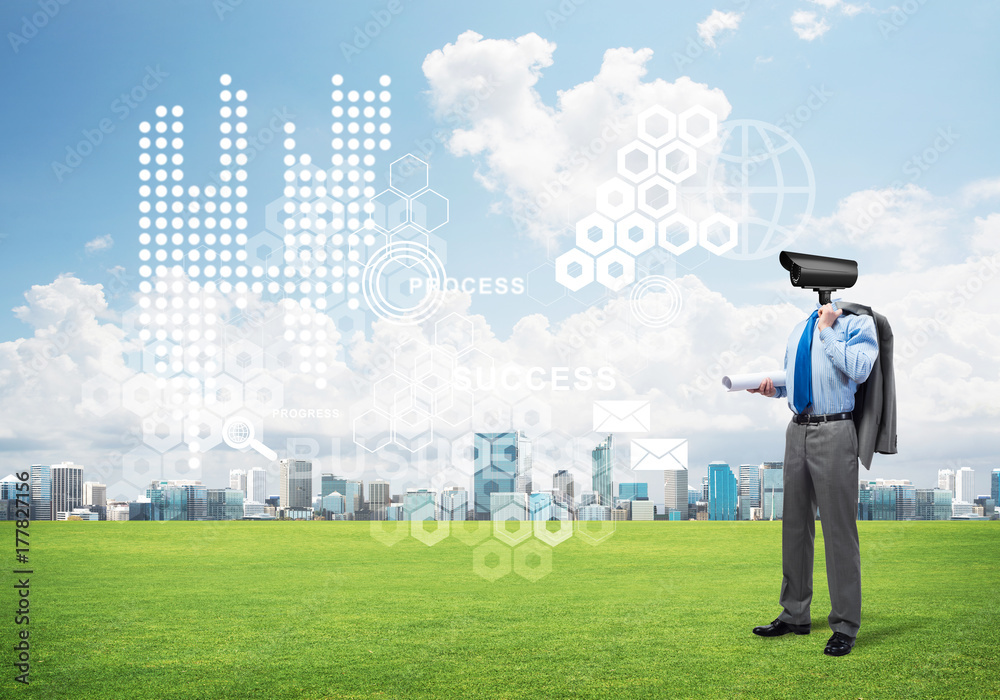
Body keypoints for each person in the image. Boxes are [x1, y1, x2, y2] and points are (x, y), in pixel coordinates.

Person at [747, 301, 879, 657]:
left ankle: (845, 626)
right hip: (797, 431)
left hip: (835, 428)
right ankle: (794, 614)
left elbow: (860, 368)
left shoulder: (857, 324)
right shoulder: (797, 330)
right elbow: (796, 381)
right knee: (794, 526)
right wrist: (771, 388)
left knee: (838, 531)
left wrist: (828, 329)